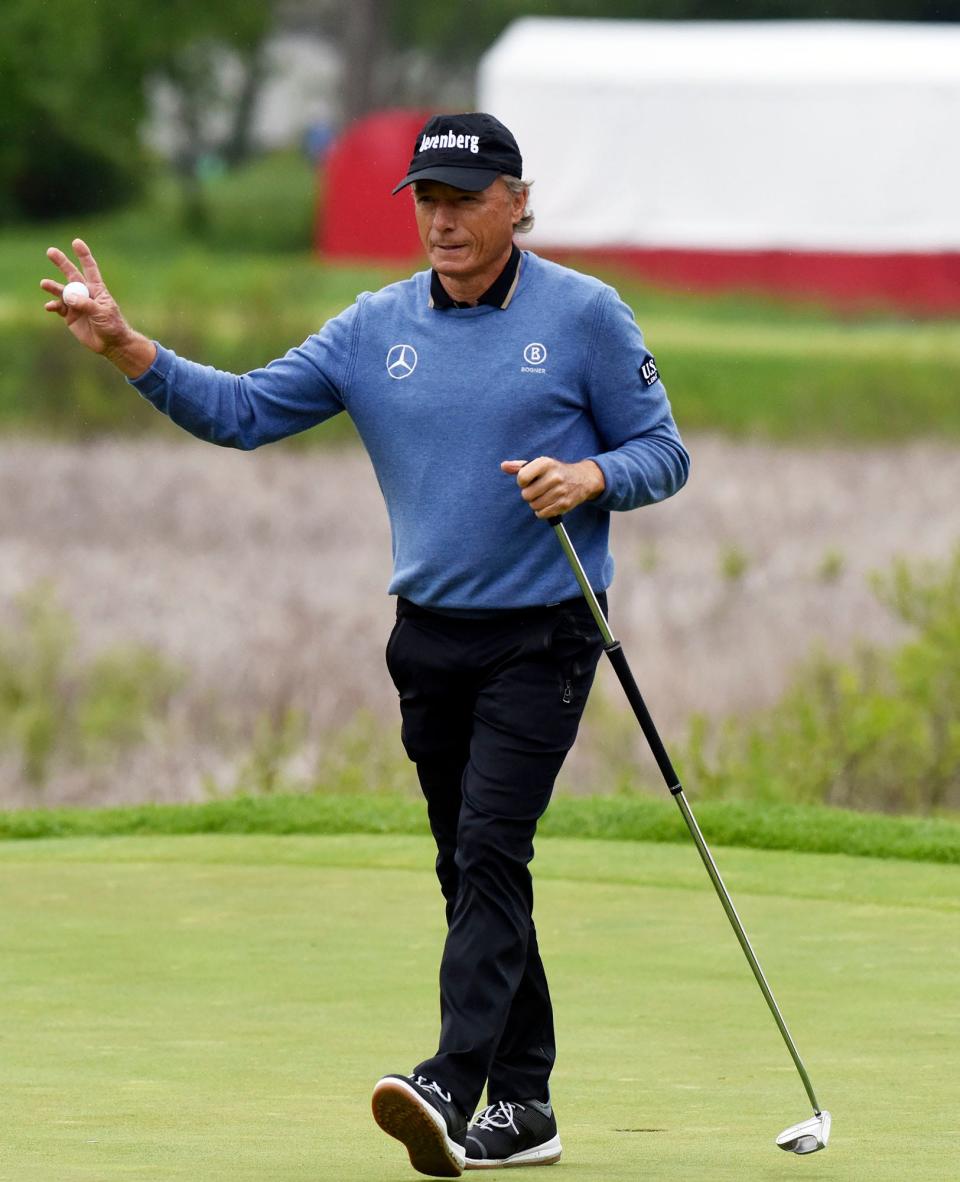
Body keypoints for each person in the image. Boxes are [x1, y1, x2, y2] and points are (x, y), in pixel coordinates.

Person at [41, 112, 689, 1177]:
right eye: (426, 200)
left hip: (548, 632)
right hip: (427, 637)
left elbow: (664, 453)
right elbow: (244, 410)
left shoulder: (586, 318)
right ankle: (526, 1106)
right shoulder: (370, 327)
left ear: (518, 202)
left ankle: (450, 1079)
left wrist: (592, 478)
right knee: (468, 864)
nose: (440, 219)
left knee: (489, 846)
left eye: (463, 199)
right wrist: (125, 347)